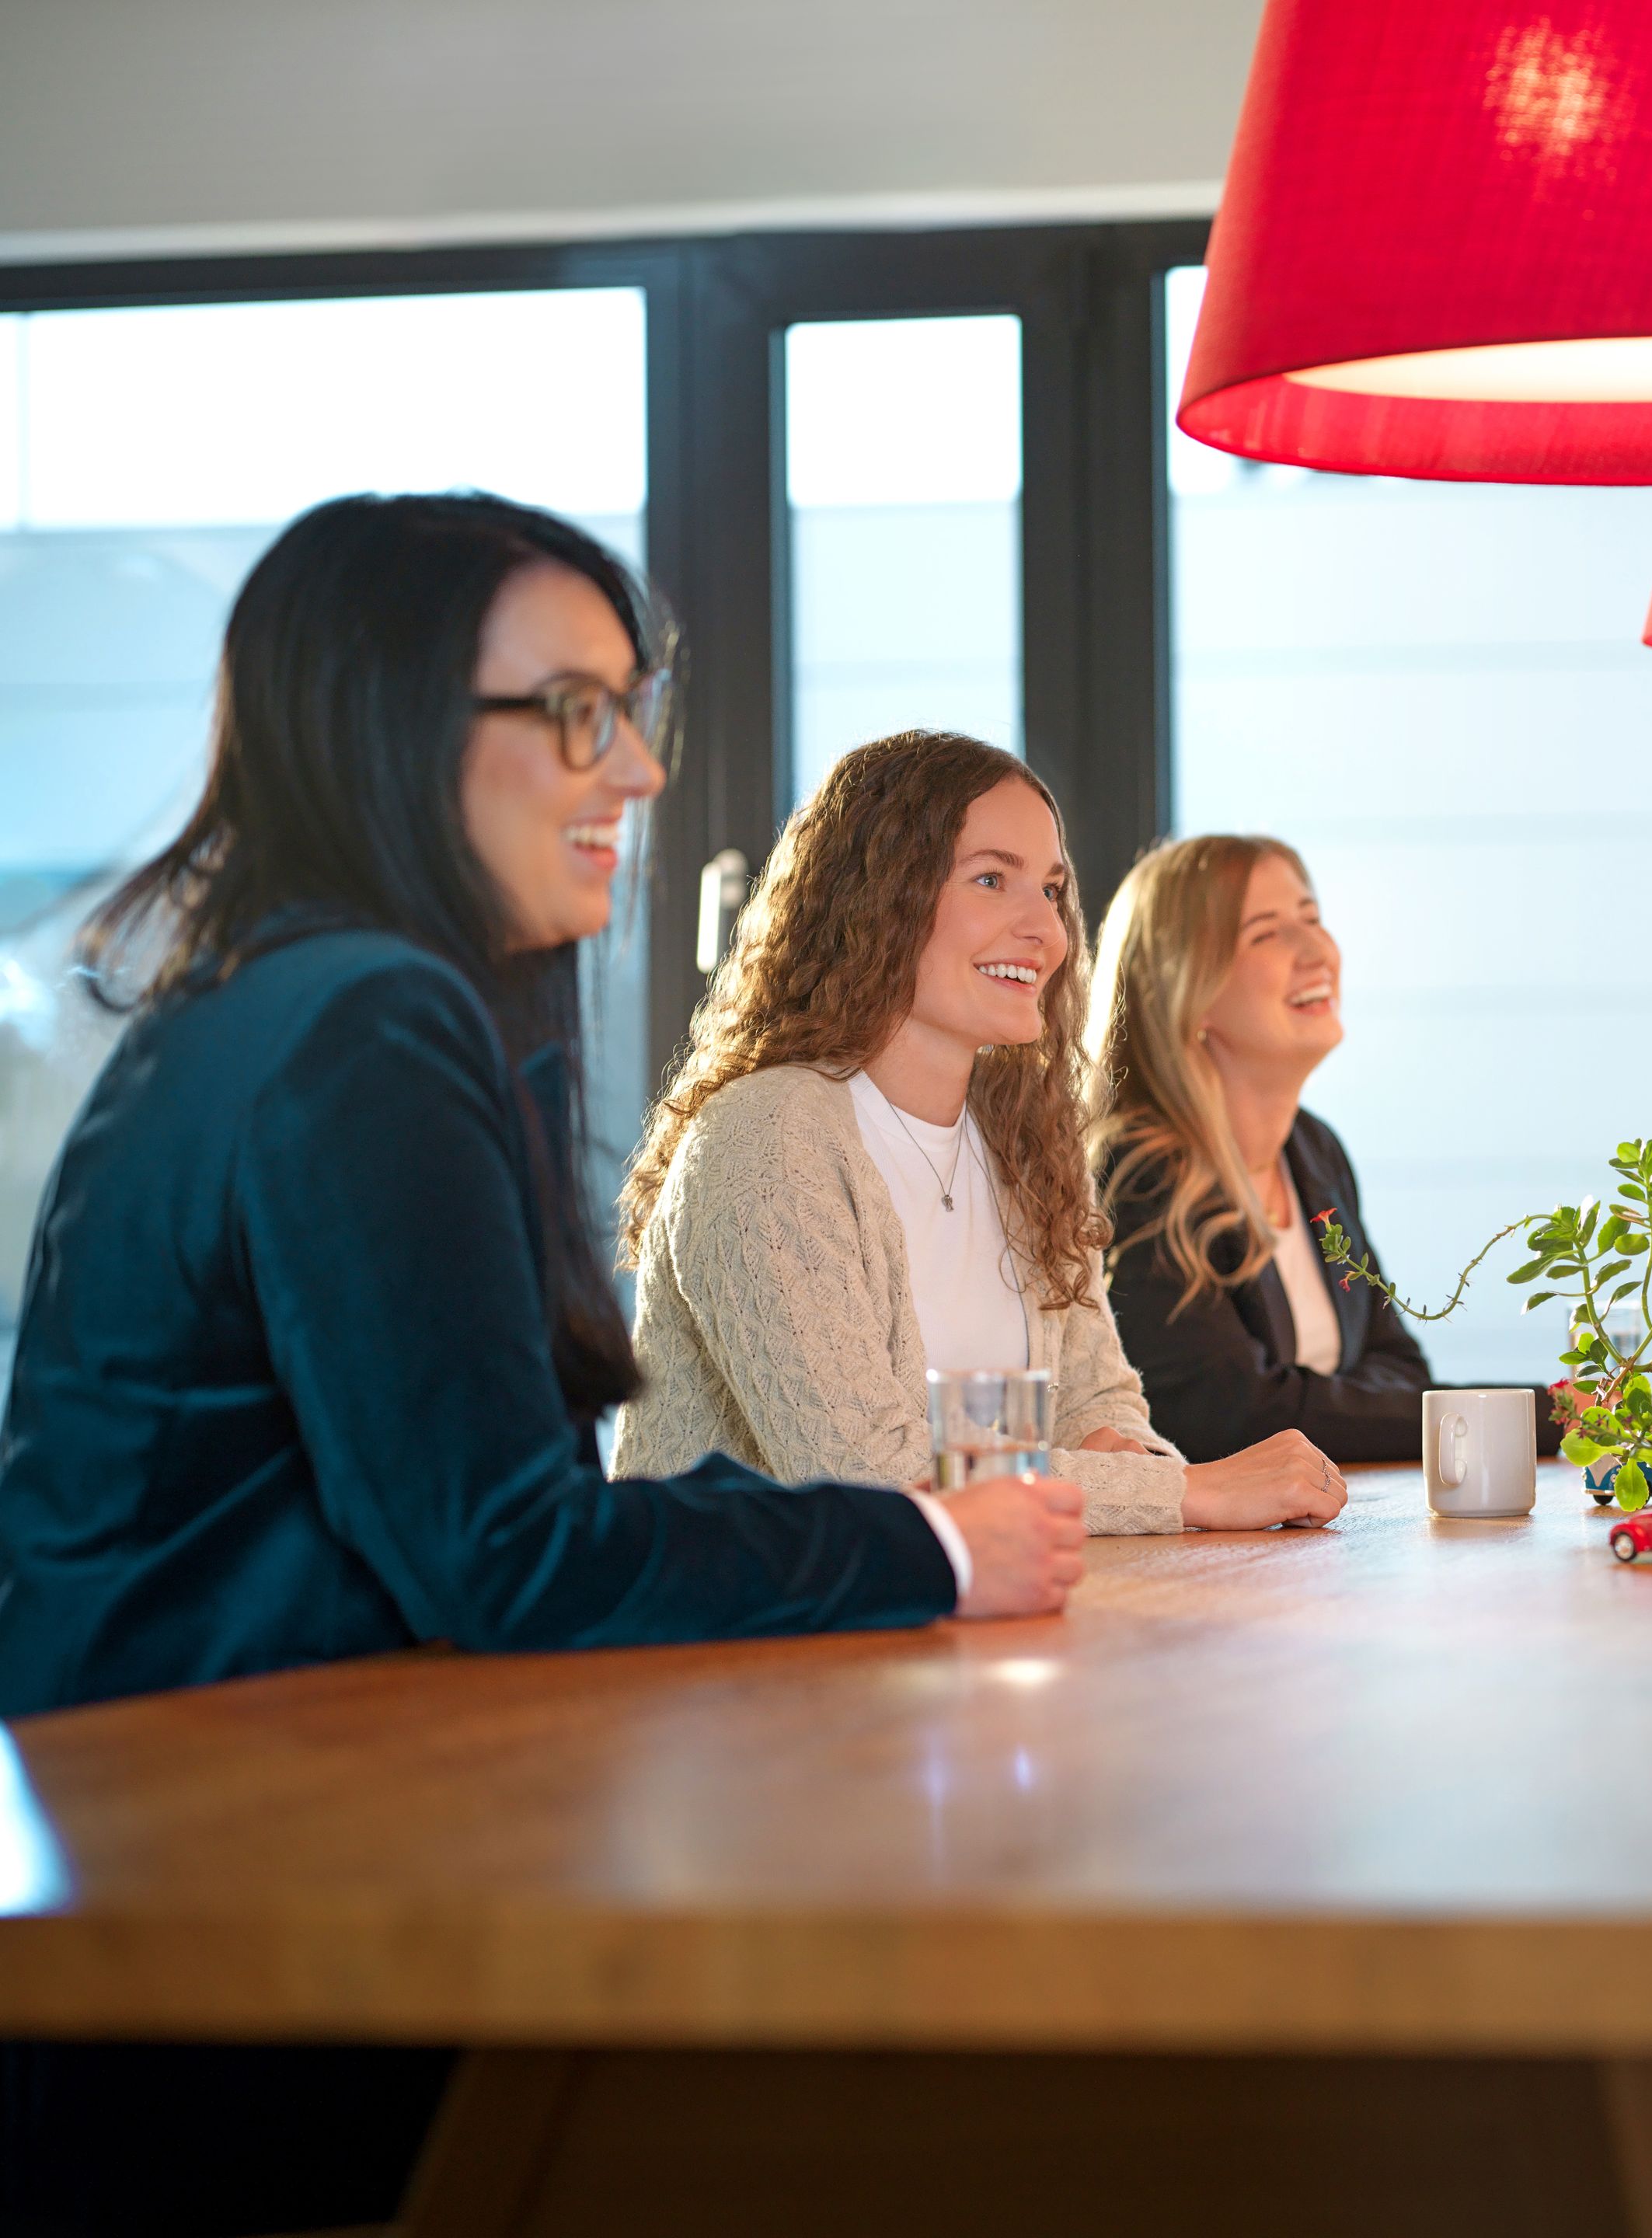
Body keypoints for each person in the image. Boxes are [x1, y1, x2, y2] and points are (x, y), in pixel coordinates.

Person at [0, 495, 1080, 2233]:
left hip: (233, 1885)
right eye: (577, 712)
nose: (640, 772)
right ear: (389, 723)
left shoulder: (311, 997)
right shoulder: (366, 1021)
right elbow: (504, 1549)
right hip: (231, 1962)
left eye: (629, 710)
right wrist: (933, 1547)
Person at [615, 737, 1344, 1533]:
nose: (1048, 930)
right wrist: (1184, 1492)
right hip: (745, 1645)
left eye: (1054, 888)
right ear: (877, 898)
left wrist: (1124, 1453)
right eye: (992, 880)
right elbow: (869, 1477)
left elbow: (1097, 1402)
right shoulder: (765, 1137)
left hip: (964, 1620)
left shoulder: (1023, 1139)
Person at [1086, 835, 1558, 1464]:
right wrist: (1542, 1414)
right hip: (1205, 1557)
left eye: (1312, 918)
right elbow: (1233, 1415)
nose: (1317, 950)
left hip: (1325, 1536)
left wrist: (1319, 1404)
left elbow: (1401, 1371)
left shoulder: (1313, 1150)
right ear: (1186, 989)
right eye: (1267, 933)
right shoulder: (1140, 1176)